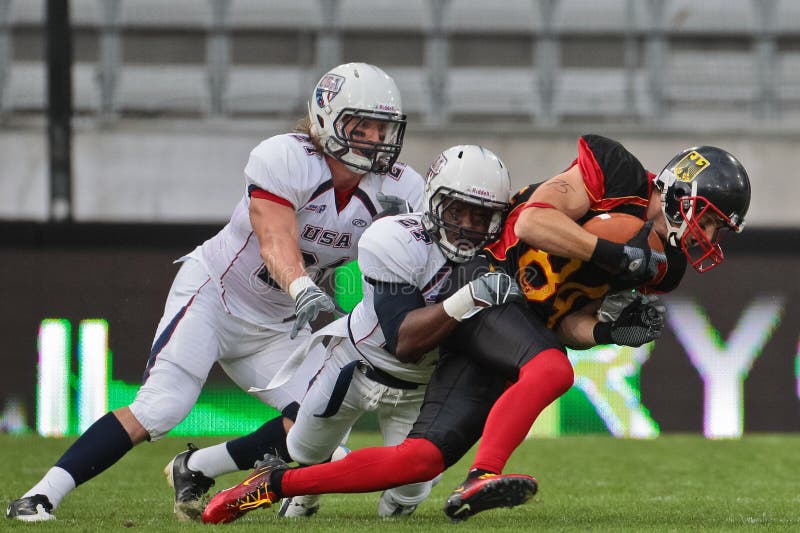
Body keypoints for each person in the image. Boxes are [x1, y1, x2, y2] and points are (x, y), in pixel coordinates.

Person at [199, 135, 751, 524]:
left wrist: (606, 335)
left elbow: (565, 322)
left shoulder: (667, 267)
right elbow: (533, 220)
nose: (706, 235)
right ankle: (482, 475)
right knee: (550, 370)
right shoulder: (616, 171)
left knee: (418, 460)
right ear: (682, 190)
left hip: (520, 324)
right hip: (481, 281)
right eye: (707, 218)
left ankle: (268, 487)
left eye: (717, 230)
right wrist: (618, 255)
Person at [5, 62, 424, 523]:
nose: (374, 138)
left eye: (383, 127)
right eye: (361, 125)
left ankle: (197, 467)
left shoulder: (400, 188)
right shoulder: (286, 158)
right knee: (161, 407)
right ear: (326, 120)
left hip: (279, 325)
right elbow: (275, 240)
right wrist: (301, 285)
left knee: (319, 429)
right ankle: (41, 494)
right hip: (216, 297)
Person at [276, 144, 520, 518]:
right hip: (356, 367)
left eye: (482, 214)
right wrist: (470, 296)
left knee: (409, 491)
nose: (469, 225)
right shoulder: (396, 238)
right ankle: (304, 495)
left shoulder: (500, 257)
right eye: (458, 210)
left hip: (421, 388)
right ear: (433, 201)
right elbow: (404, 342)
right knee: (304, 451)